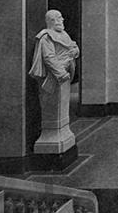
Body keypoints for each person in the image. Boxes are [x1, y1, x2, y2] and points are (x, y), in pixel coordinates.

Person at [29, 9, 81, 150]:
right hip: (56, 76)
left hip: (65, 74)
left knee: (63, 104)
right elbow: (49, 58)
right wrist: (60, 73)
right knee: (52, 105)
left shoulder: (63, 34)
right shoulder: (46, 37)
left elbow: (73, 46)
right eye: (59, 18)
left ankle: (63, 130)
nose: (62, 20)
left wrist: (74, 52)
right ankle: (52, 134)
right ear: (51, 21)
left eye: (61, 17)